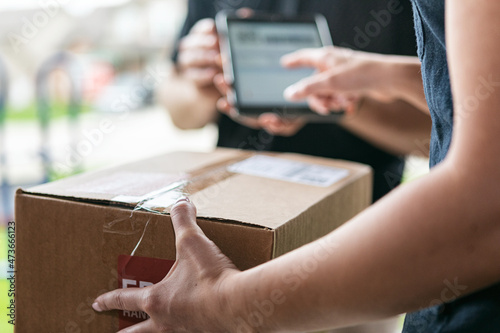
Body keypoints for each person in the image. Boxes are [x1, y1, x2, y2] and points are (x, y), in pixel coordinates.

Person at [93, 0, 500, 332]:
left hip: (365, 250)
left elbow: (453, 140)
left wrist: (224, 305)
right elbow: (179, 107)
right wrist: (199, 80)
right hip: (230, 230)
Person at [159, 0, 432, 202]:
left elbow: (439, 131)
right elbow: (178, 115)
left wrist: (341, 102)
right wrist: (203, 86)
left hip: (358, 212)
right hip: (234, 203)